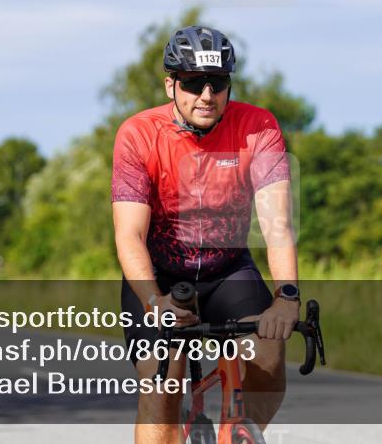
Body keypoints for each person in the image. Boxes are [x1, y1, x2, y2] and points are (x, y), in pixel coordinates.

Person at [112, 25, 299, 444]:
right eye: (194, 83)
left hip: (227, 268)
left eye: (218, 83)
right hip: (161, 277)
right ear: (171, 85)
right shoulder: (138, 134)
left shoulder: (258, 126)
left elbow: (277, 224)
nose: (207, 95)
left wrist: (287, 297)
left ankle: (239, 433)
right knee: (162, 385)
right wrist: (153, 302)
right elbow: (129, 235)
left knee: (268, 356)